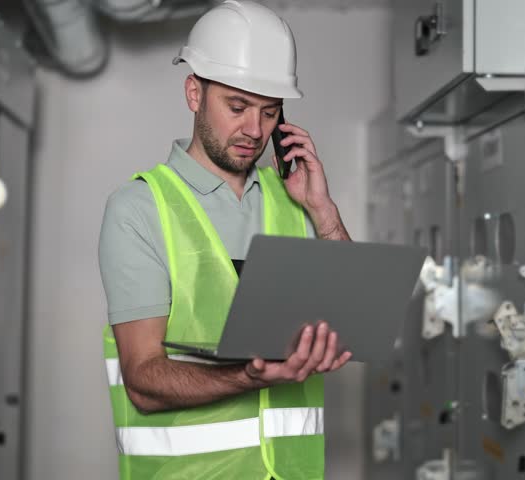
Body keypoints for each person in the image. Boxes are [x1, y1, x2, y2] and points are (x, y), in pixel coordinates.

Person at [98, 1, 352, 478]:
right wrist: (249, 377)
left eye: (270, 113)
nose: (254, 131)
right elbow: (143, 380)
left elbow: (352, 320)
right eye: (237, 107)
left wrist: (325, 212)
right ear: (194, 92)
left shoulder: (295, 203)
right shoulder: (139, 209)